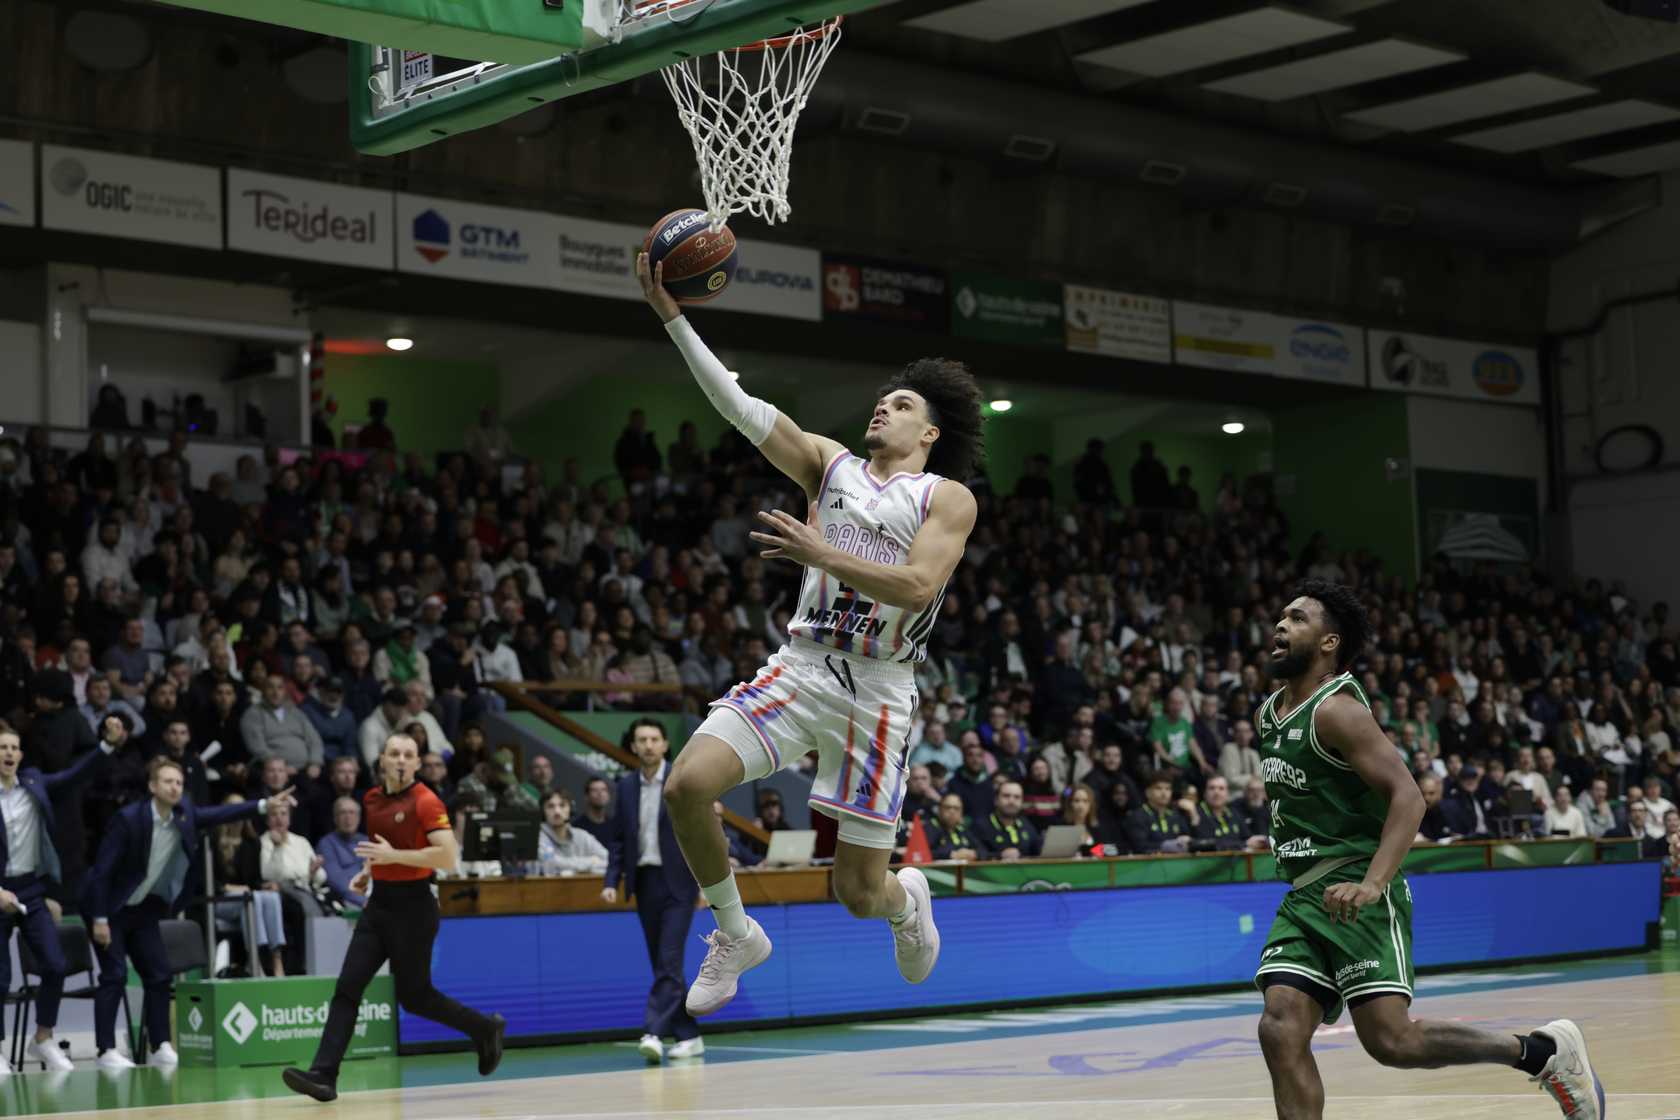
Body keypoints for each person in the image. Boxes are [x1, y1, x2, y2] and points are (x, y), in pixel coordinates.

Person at [636, 251, 983, 1019]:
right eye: (881, 401)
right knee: (686, 785)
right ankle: (736, 933)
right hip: (804, 666)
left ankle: (905, 901)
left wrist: (821, 553)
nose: (881, 409)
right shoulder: (830, 465)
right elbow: (739, 406)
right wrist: (674, 318)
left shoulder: (946, 497)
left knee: (856, 893)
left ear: (928, 430)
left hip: (880, 692)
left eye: (899, 405)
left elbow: (917, 587)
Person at [1250, 580, 1599, 1120]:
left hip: (1355, 888)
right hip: (1302, 897)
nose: (1281, 624)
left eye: (1297, 618)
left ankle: (1542, 1053)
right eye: (1282, 616)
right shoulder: (1269, 713)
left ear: (1328, 642)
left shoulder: (1337, 711)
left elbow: (1409, 798)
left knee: (1393, 1042)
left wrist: (1373, 883)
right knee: (1279, 1026)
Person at [282, 733, 505, 1102]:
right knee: (347, 988)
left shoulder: (426, 801)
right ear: (382, 760)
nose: (401, 760)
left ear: (417, 764)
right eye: (394, 754)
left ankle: (484, 1029)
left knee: (416, 997)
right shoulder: (371, 798)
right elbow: (381, 847)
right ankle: (323, 1075)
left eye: (408, 755)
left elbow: (447, 856)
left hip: (415, 907)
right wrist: (369, 871)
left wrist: (394, 857)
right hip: (379, 905)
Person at [81, 757, 295, 1068]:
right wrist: (99, 918)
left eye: (179, 783)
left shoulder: (184, 816)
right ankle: (106, 1050)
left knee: (159, 974)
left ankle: (160, 1045)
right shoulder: (129, 819)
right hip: (107, 906)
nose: (175, 787)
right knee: (114, 974)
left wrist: (263, 805)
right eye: (168, 781)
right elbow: (102, 871)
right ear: (153, 786)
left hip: (142, 908)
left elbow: (221, 813)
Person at [0, 718, 125, 1072]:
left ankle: (42, 1038)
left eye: (13, 748)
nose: (9, 753)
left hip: (30, 889)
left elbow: (74, 775)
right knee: (1, 978)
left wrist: (106, 745)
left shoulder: (33, 783)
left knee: (55, 965)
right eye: (2, 747)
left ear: (20, 755)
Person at [600, 719, 703, 1063]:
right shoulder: (625, 786)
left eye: (654, 739)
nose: (647, 745)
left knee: (668, 960)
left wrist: (705, 883)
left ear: (664, 744)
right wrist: (611, 882)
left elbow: (700, 832)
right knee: (663, 964)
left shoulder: (681, 779)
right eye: (641, 739)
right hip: (644, 882)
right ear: (633, 746)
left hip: (680, 884)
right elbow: (618, 839)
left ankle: (653, 1032)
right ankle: (689, 1036)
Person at [537, 789, 608, 875]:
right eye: (550, 806)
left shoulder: (582, 835)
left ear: (571, 809)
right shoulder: (536, 838)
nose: (557, 811)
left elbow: (609, 860)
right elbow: (551, 864)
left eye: (562, 805)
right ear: (543, 812)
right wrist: (592, 861)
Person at [316, 796, 368, 908]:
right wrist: (362, 901)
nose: (348, 817)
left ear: (359, 818)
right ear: (335, 818)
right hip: (345, 901)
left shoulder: (366, 841)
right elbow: (336, 880)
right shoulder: (326, 844)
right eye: (343, 813)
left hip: (371, 898)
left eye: (352, 813)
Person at [973, 780, 1041, 861]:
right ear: (996, 800)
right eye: (1006, 796)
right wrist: (999, 855)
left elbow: (1039, 853)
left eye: (1017, 797)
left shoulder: (1027, 825)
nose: (1011, 801)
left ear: (1022, 802)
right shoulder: (981, 826)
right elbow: (976, 854)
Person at [924, 793, 990, 861]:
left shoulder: (962, 830)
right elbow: (923, 853)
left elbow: (983, 851)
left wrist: (974, 854)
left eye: (956, 808)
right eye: (947, 807)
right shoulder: (930, 828)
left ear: (961, 812)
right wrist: (951, 855)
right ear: (939, 809)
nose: (952, 811)